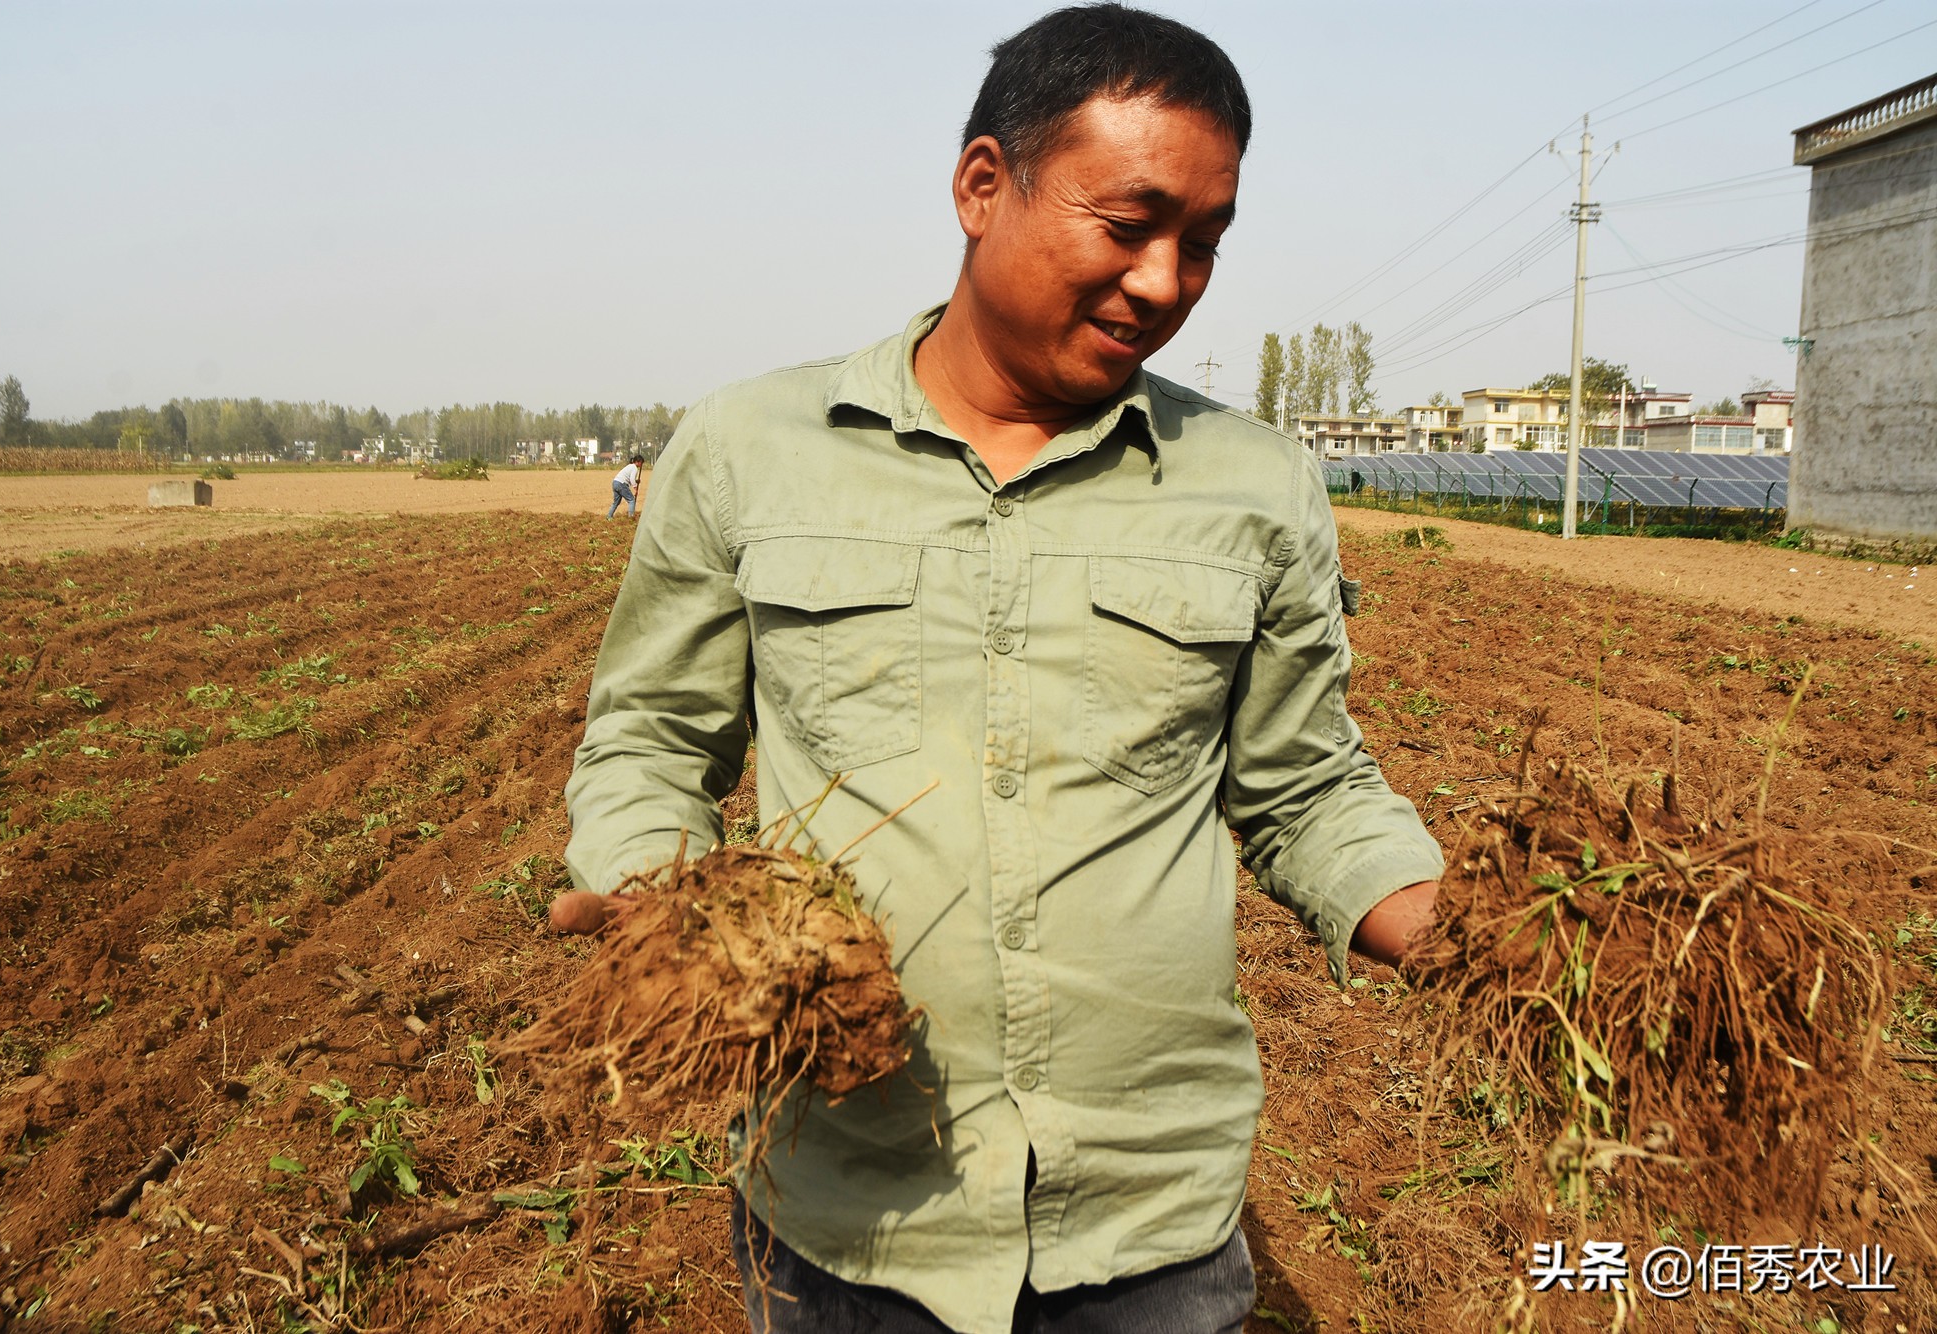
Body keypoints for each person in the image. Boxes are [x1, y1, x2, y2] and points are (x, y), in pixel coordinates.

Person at [552, 6, 1441, 1331]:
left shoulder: (1254, 486)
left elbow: (1306, 784)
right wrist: (659, 900)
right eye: (1129, 223)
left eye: (1203, 242)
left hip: (1148, 1224)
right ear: (984, 186)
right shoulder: (751, 448)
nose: (1165, 281)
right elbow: (652, 742)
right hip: (851, 1211)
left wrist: (1477, 937)